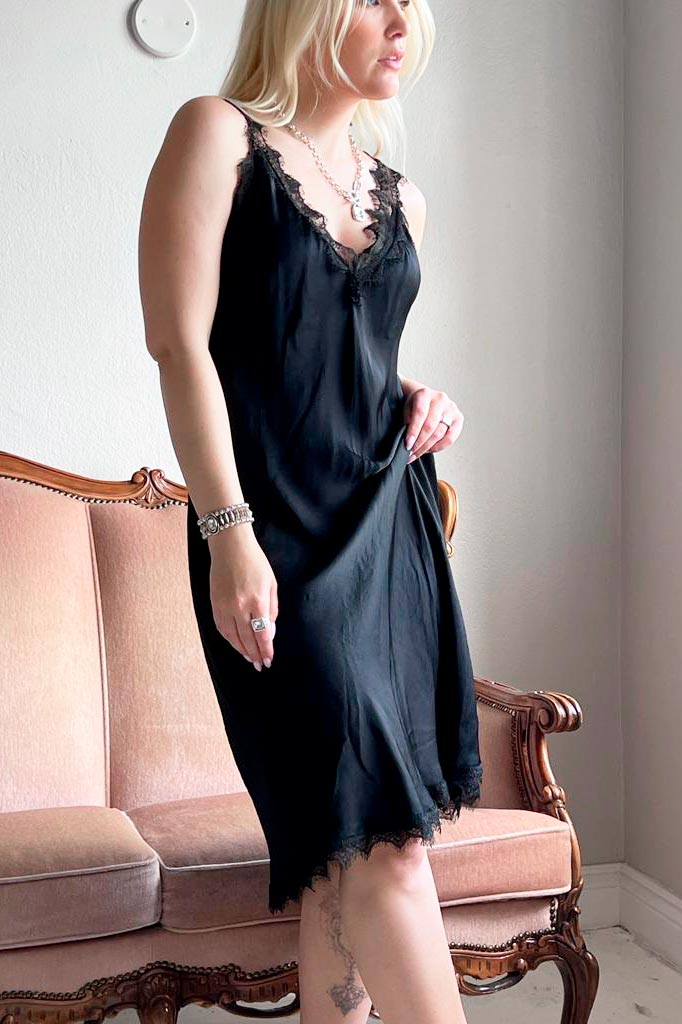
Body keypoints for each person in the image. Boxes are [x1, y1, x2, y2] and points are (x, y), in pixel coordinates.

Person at [138, 1, 483, 1021]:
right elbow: (180, 344)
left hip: (391, 534)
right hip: (276, 540)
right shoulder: (218, 137)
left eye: (410, 3)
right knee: (387, 849)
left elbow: (339, 358)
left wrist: (418, 393)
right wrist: (227, 530)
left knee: (348, 854)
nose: (402, 21)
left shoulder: (401, 198)